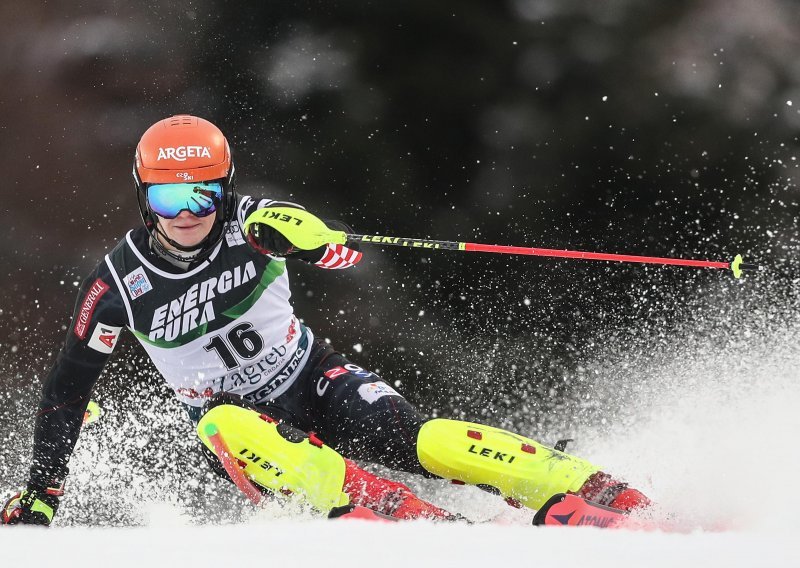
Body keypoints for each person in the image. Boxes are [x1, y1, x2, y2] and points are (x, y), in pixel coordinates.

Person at [2, 115, 649, 526]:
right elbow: (67, 387)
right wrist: (43, 492)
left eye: (205, 193)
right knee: (226, 420)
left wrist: (314, 242)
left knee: (426, 441)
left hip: (315, 379)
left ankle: (584, 486)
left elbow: (320, 241)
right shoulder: (117, 285)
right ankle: (390, 513)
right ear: (145, 198)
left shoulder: (248, 224)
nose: (188, 212)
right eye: (170, 196)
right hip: (242, 433)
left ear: (224, 188)